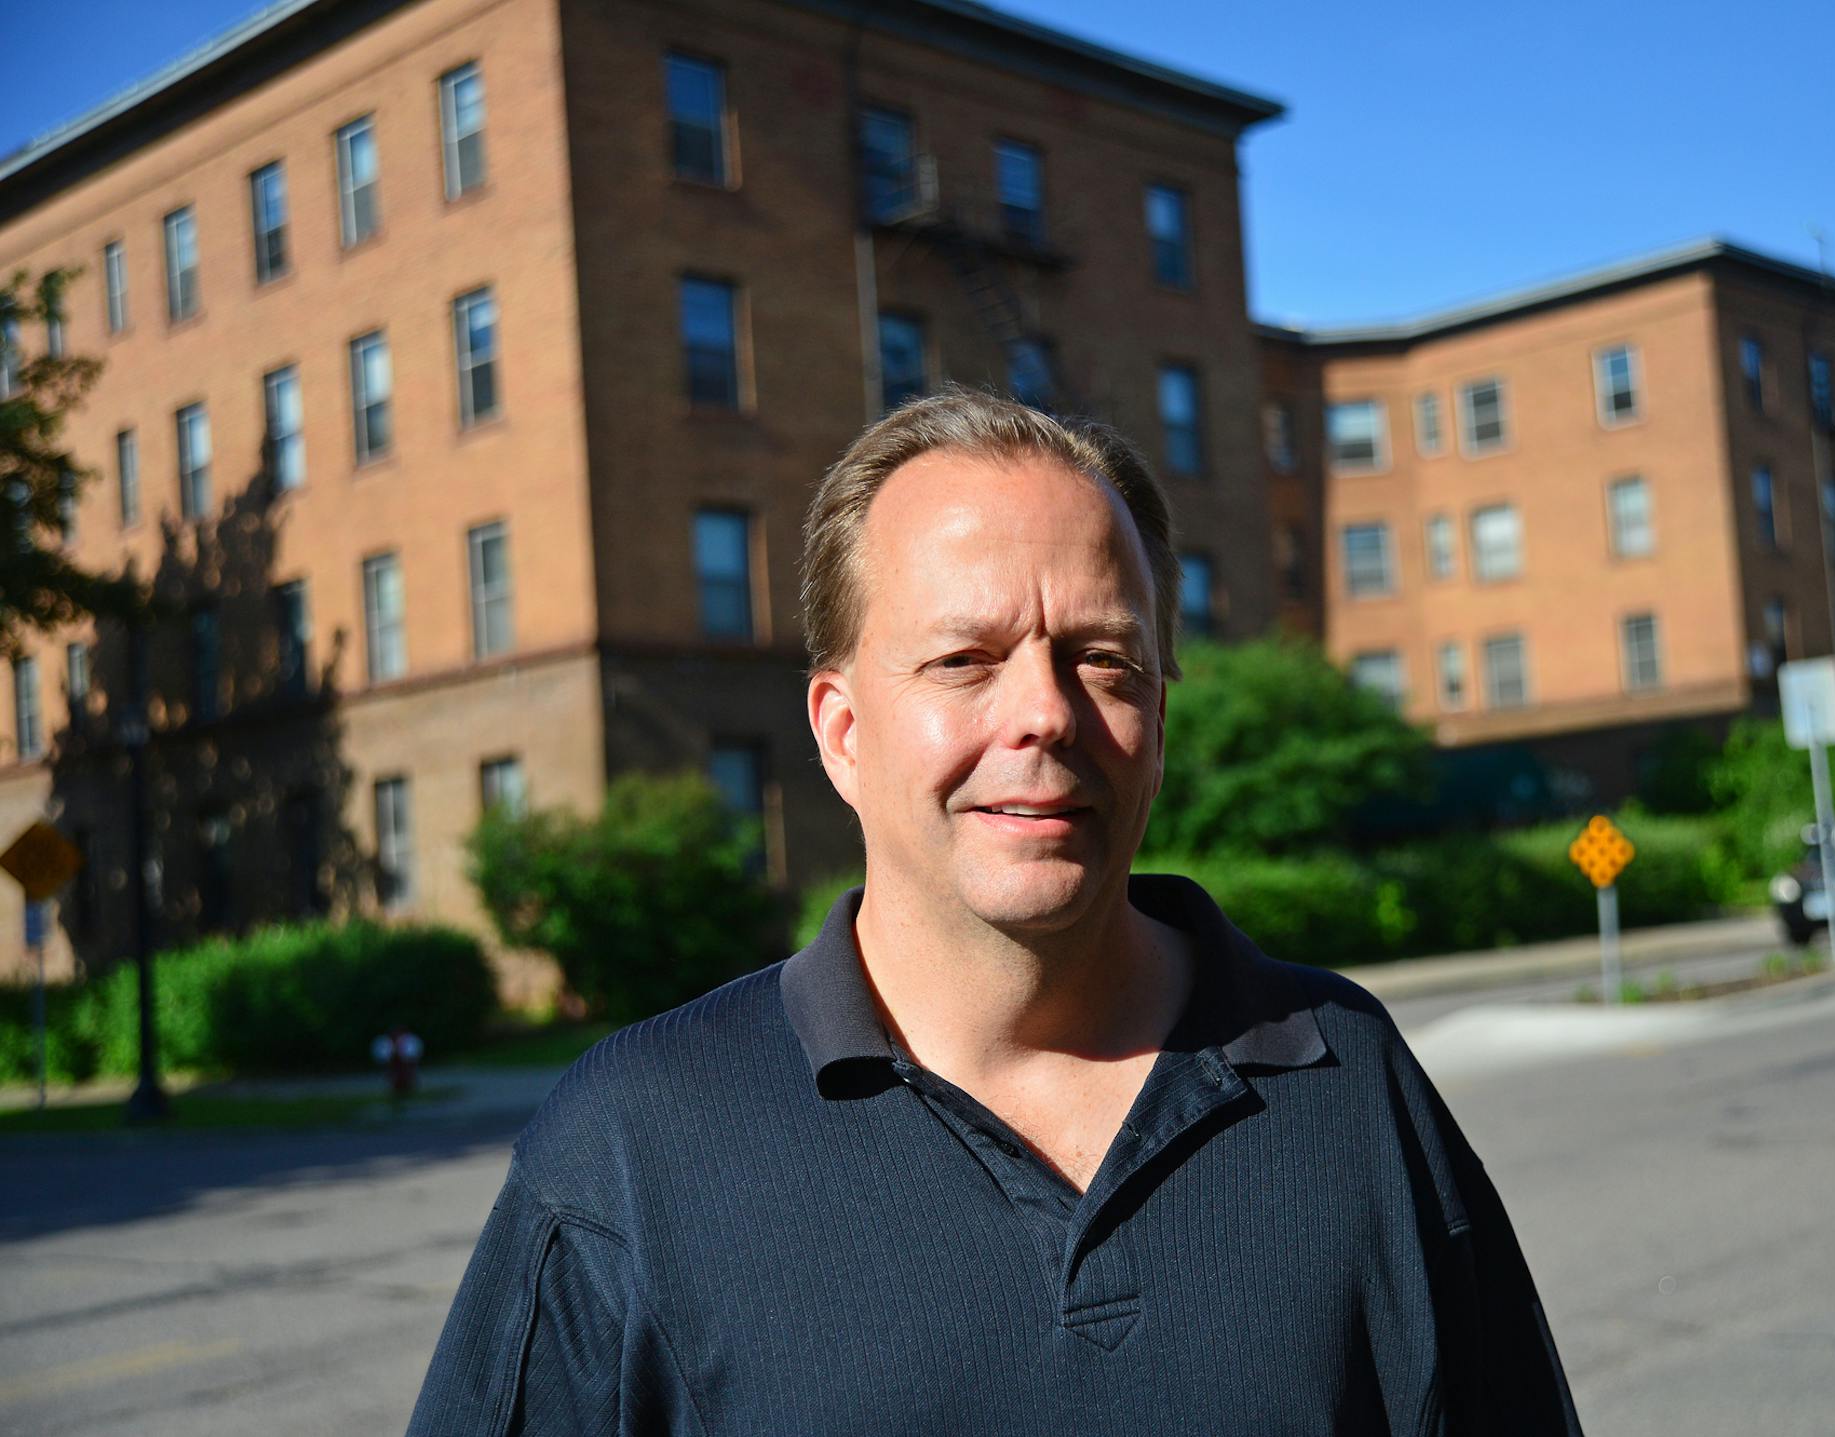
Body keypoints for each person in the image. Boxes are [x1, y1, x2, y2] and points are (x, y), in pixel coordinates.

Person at [407, 391, 1580, 1435]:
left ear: (1160, 725)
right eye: (966, 658)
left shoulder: (1343, 1079)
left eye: (1104, 659)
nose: (1045, 716)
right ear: (842, 731)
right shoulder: (633, 1145)